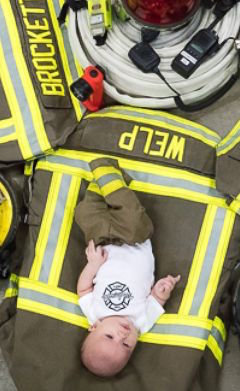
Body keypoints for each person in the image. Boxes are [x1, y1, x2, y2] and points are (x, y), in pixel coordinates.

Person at [76, 158, 181, 377]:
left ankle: (100, 185)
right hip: (135, 240)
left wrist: (94, 264)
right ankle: (108, 175)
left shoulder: (94, 314)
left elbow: (83, 289)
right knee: (133, 218)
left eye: (109, 337)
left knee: (84, 214)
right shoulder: (143, 322)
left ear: (94, 328)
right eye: (126, 345)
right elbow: (157, 299)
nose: (122, 335)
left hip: (103, 243)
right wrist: (163, 290)